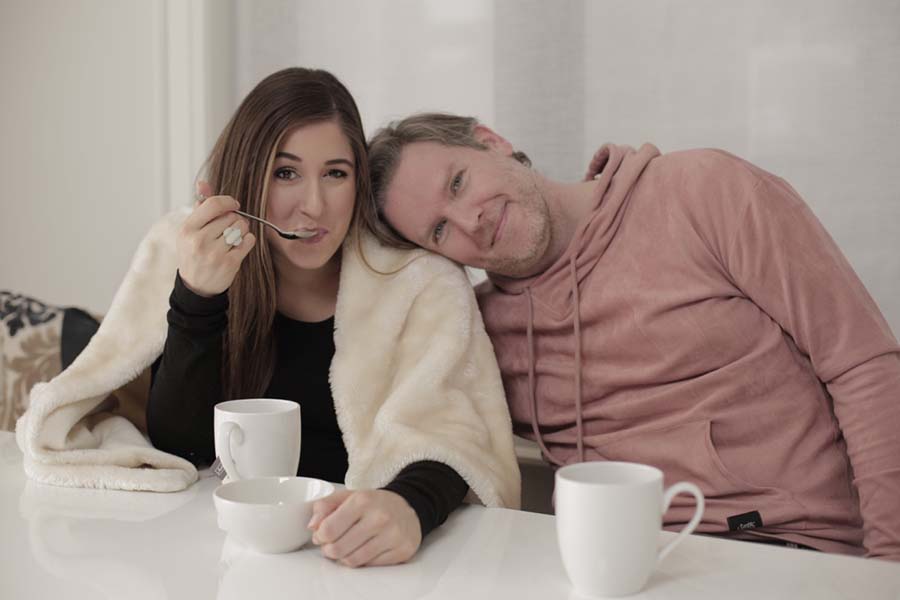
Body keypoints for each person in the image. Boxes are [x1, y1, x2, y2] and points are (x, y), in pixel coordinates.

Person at [365, 113, 900, 561]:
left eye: (458, 183)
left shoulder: (704, 191)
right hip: (619, 568)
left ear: (492, 141)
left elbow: (865, 366)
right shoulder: (481, 331)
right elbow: (430, 434)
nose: (470, 220)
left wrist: (887, 567)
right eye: (439, 231)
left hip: (790, 550)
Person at [145, 74, 520, 567]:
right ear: (246, 178)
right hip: (233, 555)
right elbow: (180, 448)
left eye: (336, 173)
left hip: (360, 565)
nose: (314, 206)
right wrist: (197, 297)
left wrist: (408, 506)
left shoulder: (419, 284)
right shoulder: (200, 264)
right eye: (286, 173)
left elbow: (454, 433)